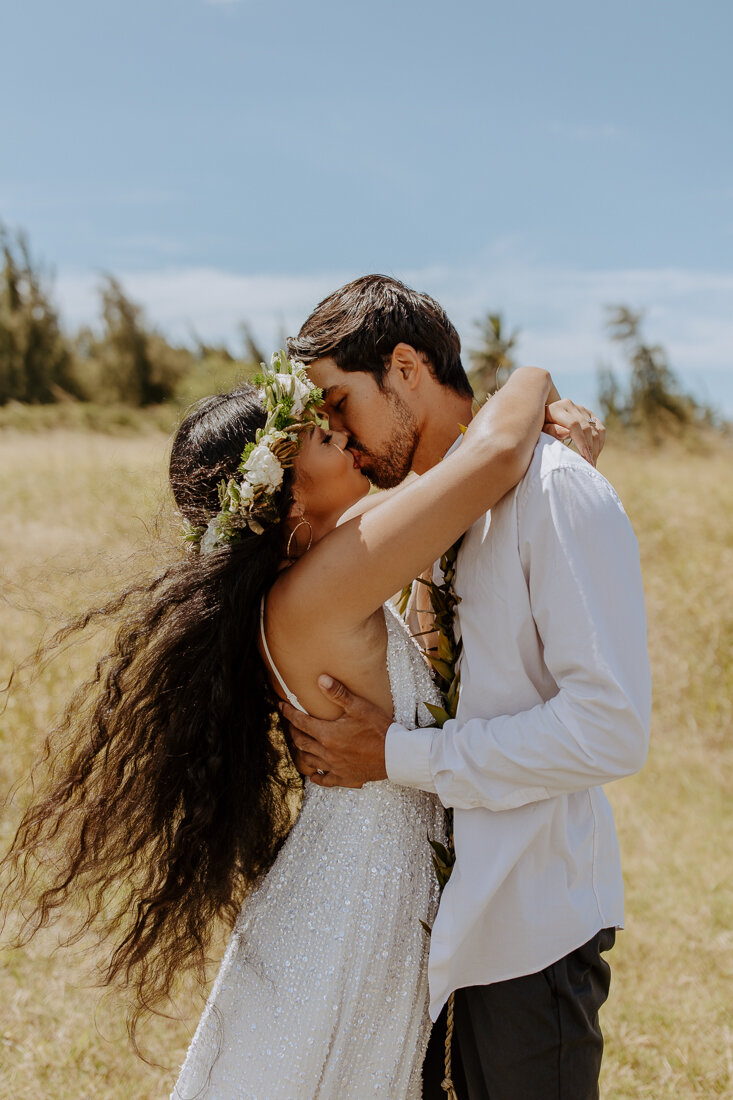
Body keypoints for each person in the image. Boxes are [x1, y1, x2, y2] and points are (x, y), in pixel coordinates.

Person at [0, 352, 599, 1098]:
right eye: (319, 433)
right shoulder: (319, 584)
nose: (345, 436)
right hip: (351, 899)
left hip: (364, 883)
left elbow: (441, 559)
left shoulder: (320, 573)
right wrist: (536, 379)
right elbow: (496, 454)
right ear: (283, 497)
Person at [283, 274, 652, 1100]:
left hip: (530, 923)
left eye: (341, 404)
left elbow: (609, 728)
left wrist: (396, 756)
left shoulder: (554, 491)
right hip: (443, 924)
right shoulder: (437, 510)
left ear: (406, 367)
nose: (338, 436)